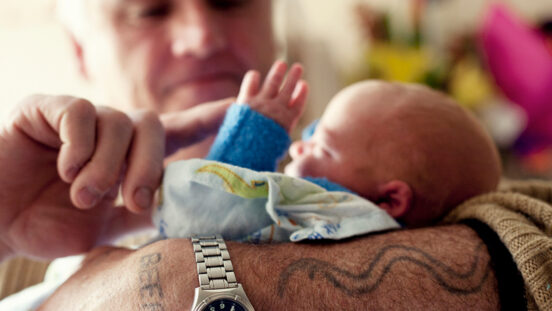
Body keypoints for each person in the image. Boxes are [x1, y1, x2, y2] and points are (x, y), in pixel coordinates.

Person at [0, 0, 526, 309]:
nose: (201, 36)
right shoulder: (38, 261)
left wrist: (178, 273)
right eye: (149, 10)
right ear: (79, 49)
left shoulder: (475, 195)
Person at [156, 61, 501, 242]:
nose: (294, 146)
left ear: (390, 201)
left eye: (321, 145)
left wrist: (252, 139)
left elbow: (200, 211)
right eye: (308, 134)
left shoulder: (348, 215)